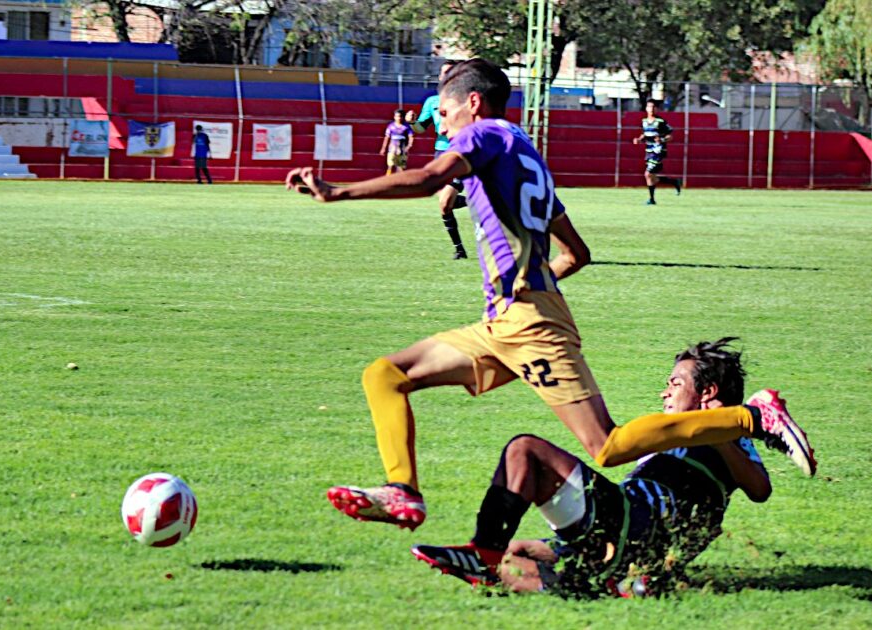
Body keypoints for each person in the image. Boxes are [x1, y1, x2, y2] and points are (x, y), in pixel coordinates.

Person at [284, 59, 815, 533]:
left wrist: (337, 191)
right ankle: (402, 490)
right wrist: (533, 281)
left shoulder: (486, 135)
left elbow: (427, 180)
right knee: (386, 375)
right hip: (511, 320)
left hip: (530, 322)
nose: (440, 126)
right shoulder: (525, 154)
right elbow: (576, 252)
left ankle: (751, 417)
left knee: (605, 445)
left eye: (443, 114)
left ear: (473, 103)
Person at [412, 338, 775, 597]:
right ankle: (599, 583)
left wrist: (717, 434)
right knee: (514, 555)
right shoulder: (663, 431)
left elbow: (760, 489)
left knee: (526, 450)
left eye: (675, 384)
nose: (665, 393)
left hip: (644, 523)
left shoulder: (731, 434)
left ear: (708, 393)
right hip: (624, 521)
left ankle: (482, 554)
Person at [406, 60, 468, 260]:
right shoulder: (432, 102)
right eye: (443, 73)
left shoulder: (466, 100)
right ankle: (460, 248)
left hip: (460, 154)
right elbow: (421, 129)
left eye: (449, 72)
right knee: (446, 205)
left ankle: (460, 249)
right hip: (440, 154)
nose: (444, 76)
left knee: (444, 202)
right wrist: (412, 122)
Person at [632, 101, 680, 204]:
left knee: (648, 174)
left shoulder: (660, 121)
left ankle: (652, 199)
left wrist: (662, 140)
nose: (651, 109)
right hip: (649, 151)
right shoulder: (644, 121)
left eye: (653, 107)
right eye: (649, 106)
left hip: (658, 151)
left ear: (657, 109)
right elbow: (644, 134)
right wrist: (639, 140)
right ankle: (673, 182)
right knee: (651, 176)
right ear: (646, 108)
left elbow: (670, 136)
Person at [380, 109, 415, 175]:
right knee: (390, 166)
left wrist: (409, 146)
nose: (398, 118)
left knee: (401, 167)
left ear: (402, 117)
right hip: (392, 149)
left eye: (400, 116)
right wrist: (383, 148)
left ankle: (401, 182)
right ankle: (388, 181)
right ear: (394, 117)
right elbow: (387, 137)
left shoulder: (406, 127)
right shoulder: (391, 126)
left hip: (402, 150)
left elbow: (411, 137)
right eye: (396, 116)